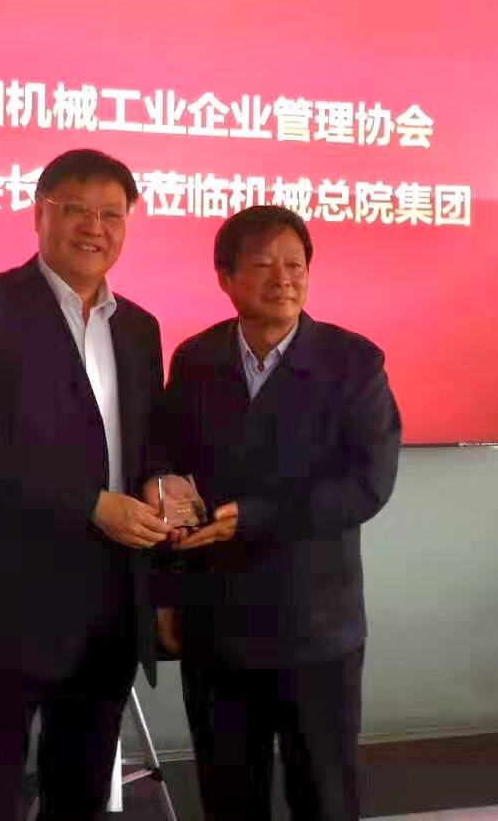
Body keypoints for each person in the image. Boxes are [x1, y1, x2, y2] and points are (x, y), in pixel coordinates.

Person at [0, 148, 172, 821]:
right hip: (0, 605)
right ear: (39, 214)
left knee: (82, 793)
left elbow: (144, 447)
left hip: (108, 609)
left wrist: (164, 486)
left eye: (112, 214)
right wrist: (93, 505)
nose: (94, 227)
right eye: (76, 210)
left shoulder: (139, 328)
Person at [153, 204, 401, 821]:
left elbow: (368, 485)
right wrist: (165, 588)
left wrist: (256, 516)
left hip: (314, 624)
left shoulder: (353, 363)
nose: (283, 278)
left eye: (295, 264)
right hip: (216, 620)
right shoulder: (195, 359)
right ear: (225, 277)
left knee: (325, 797)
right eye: (263, 264)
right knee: (228, 796)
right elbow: (166, 466)